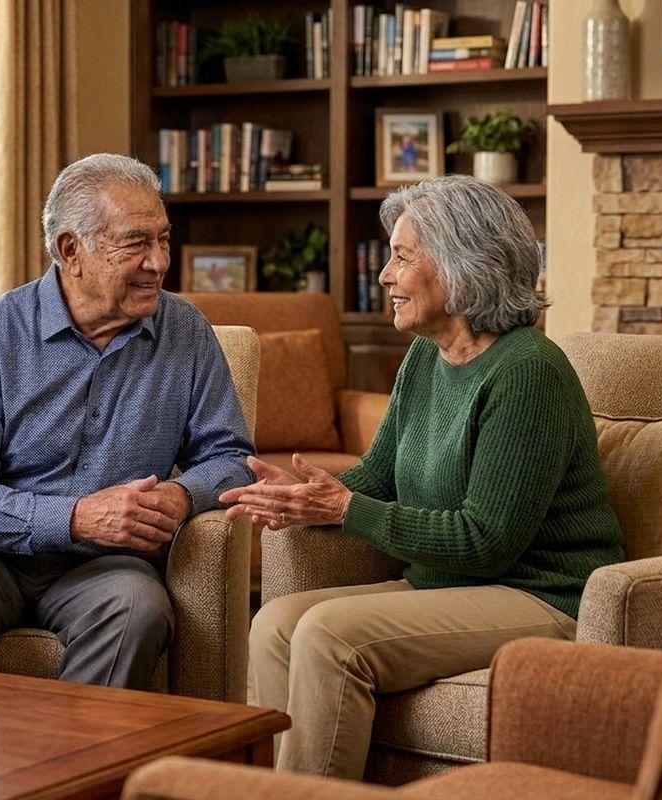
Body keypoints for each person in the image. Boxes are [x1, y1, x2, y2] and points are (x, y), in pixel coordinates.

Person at [223, 175, 625, 779]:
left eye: (402, 257)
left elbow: (486, 542)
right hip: (448, 586)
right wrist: (304, 497)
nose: (385, 275)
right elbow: (380, 475)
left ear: (464, 267)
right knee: (275, 624)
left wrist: (344, 510)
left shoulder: (527, 372)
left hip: (541, 595)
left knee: (329, 635)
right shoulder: (426, 358)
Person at [0, 153, 255, 690]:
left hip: (105, 566)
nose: (158, 262)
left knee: (137, 607)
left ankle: (76, 769)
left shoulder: (188, 334)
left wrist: (183, 497)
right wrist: (75, 517)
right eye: (136, 243)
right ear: (71, 250)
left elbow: (231, 459)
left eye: (163, 239)